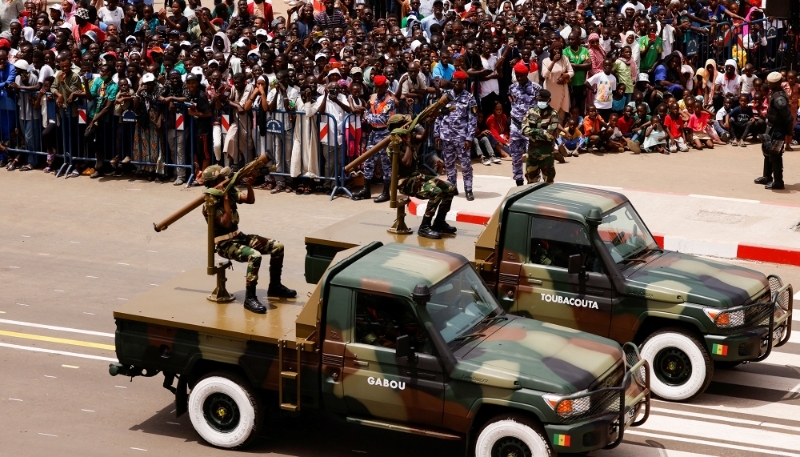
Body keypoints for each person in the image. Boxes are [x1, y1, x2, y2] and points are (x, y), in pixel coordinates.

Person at [202, 164, 296, 314]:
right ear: (213, 183)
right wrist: (225, 199)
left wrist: (249, 185)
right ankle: (249, 298)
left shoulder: (230, 190)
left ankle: (275, 287)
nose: (225, 179)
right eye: (220, 178)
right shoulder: (210, 202)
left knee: (278, 246)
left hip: (239, 237)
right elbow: (226, 223)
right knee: (254, 256)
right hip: (224, 244)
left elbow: (249, 200)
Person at [389, 114, 457, 239]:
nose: (409, 126)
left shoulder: (407, 138)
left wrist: (429, 125)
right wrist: (409, 144)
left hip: (417, 177)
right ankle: (424, 227)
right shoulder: (394, 144)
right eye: (405, 124)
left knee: (450, 188)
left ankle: (439, 222)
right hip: (406, 182)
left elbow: (423, 138)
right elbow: (406, 163)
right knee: (436, 192)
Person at [354, 74, 395, 202]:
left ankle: (386, 192)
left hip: (385, 134)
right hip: (373, 134)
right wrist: (367, 116)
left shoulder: (390, 100)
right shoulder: (372, 97)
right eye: (376, 87)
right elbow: (368, 113)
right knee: (368, 162)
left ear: (386, 86)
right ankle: (366, 190)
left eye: (380, 87)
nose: (377, 90)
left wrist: (367, 116)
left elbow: (383, 119)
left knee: (386, 164)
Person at [438, 70, 477, 200]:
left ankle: (468, 189)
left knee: (465, 165)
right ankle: (452, 187)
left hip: (461, 137)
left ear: (464, 84)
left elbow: (472, 119)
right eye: (455, 82)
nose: (457, 84)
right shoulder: (445, 96)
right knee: (449, 164)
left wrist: (469, 138)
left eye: (460, 82)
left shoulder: (469, 98)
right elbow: (438, 115)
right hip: (446, 136)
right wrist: (436, 133)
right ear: (453, 82)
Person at [755, 72, 793, 190]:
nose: (768, 84)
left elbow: (787, 116)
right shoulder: (775, 93)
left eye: (770, 82)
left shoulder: (779, 98)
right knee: (767, 151)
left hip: (778, 129)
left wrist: (789, 132)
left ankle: (778, 181)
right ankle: (767, 176)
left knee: (775, 155)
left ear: (775, 83)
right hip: (771, 127)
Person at [507, 60, 540, 186]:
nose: (519, 78)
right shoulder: (512, 88)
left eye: (521, 76)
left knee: (533, 156)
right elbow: (512, 103)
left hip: (530, 127)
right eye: (517, 75)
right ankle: (519, 182)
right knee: (515, 156)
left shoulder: (536, 88)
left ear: (526, 75)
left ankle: (533, 182)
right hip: (515, 126)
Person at [522, 89, 559, 184]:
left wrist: (533, 132)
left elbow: (550, 135)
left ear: (548, 100)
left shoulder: (553, 114)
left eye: (543, 101)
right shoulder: (530, 112)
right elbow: (524, 130)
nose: (541, 102)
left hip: (546, 154)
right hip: (532, 153)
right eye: (539, 100)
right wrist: (542, 131)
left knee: (548, 183)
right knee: (531, 182)